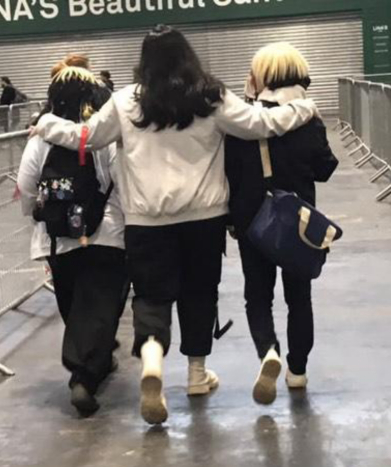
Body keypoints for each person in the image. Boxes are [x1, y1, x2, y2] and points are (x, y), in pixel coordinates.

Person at [32, 24, 317, 425]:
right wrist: (304, 108)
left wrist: (46, 124)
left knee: (151, 298)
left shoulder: (125, 101)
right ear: (187, 55)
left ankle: (152, 361)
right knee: (199, 294)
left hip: (146, 222)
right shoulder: (211, 96)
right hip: (204, 219)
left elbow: (86, 137)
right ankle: (197, 376)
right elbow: (260, 124)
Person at [225, 43, 338, 404]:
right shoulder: (308, 118)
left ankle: (268, 353)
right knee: (299, 298)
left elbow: (229, 173)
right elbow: (325, 169)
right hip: (298, 221)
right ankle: (298, 370)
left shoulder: (242, 121)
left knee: (257, 296)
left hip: (251, 219)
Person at [17, 65, 129, 416]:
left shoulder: (41, 136)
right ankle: (83, 374)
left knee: (73, 305)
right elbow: (121, 180)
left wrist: (36, 213)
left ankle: (95, 362)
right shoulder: (103, 135)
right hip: (105, 234)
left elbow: (26, 185)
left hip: (58, 239)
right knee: (101, 304)